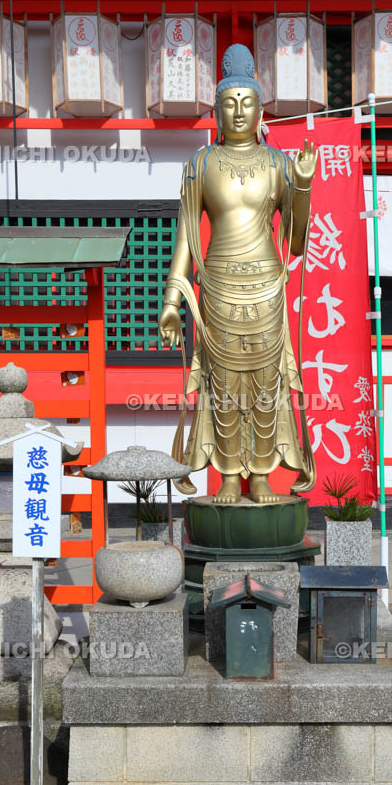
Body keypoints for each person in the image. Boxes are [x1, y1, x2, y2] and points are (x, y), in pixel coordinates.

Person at [159, 43, 317, 505]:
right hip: (218, 286)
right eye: (230, 104)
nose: (239, 111)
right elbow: (187, 238)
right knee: (222, 385)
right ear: (217, 110)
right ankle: (229, 476)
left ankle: (263, 477)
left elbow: (296, 241)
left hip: (267, 286)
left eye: (247, 103)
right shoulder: (201, 165)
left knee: (266, 384)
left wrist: (302, 187)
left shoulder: (278, 164)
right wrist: (172, 300)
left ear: (261, 109)